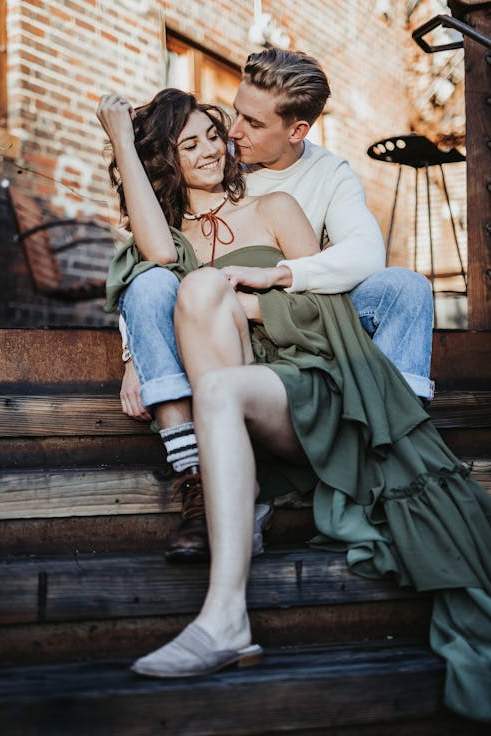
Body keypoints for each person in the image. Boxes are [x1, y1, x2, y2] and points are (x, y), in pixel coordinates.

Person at [99, 87, 491, 723]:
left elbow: (327, 306)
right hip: (237, 391)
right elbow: (159, 256)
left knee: (211, 318)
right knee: (199, 310)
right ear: (164, 163)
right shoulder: (174, 241)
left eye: (212, 134)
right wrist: (121, 140)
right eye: (187, 143)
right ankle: (226, 616)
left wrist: (250, 301)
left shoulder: (275, 205)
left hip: (306, 378)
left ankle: (226, 601)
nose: (208, 150)